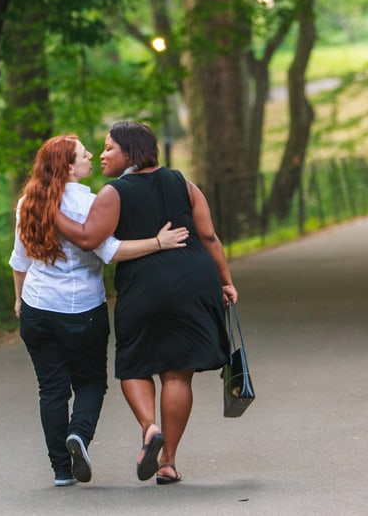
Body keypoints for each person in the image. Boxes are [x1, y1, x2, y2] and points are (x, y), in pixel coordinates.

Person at [55, 121, 238, 485]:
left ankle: (149, 427)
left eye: (109, 148)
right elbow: (209, 235)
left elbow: (90, 239)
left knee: (134, 364)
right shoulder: (182, 182)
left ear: (130, 152)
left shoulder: (114, 192)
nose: (103, 154)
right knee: (177, 372)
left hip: (145, 286)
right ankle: (168, 461)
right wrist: (226, 281)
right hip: (194, 281)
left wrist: (50, 212)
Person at [9, 133, 189, 488]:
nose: (91, 155)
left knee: (52, 388)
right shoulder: (92, 202)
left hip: (37, 305)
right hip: (83, 309)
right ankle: (79, 434)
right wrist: (159, 242)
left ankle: (61, 469)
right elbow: (110, 250)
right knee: (90, 381)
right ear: (68, 167)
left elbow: (20, 260)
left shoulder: (27, 202)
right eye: (82, 154)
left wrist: (18, 300)